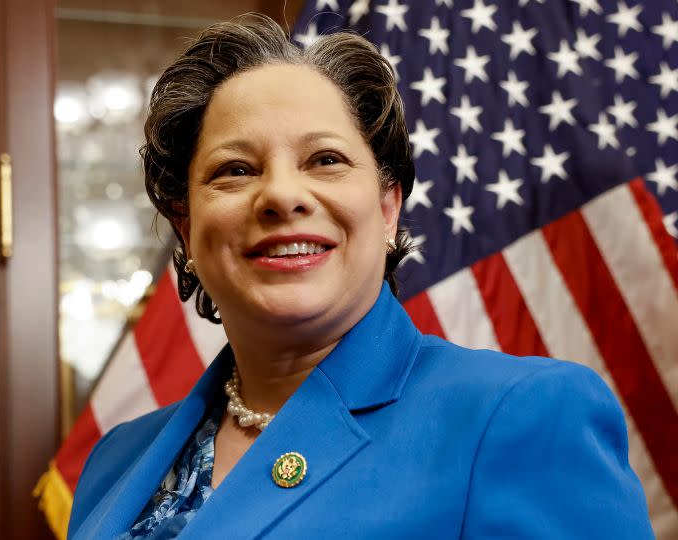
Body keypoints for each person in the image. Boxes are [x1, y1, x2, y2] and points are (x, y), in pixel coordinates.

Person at [67, 14, 653, 539]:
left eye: (326, 159)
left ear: (387, 206)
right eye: (236, 169)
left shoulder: (525, 415)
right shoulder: (116, 459)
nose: (281, 195)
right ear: (186, 226)